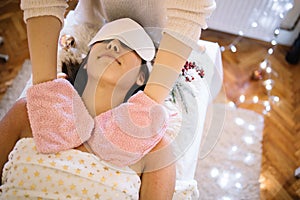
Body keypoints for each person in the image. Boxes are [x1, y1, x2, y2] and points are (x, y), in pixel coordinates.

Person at [0, 18, 176, 199]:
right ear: (86, 61)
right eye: (105, 40)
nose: (114, 46)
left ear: (141, 77)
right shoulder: (29, 111)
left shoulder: (154, 145)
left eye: (127, 44)